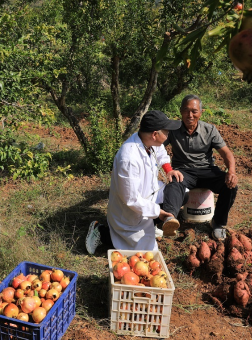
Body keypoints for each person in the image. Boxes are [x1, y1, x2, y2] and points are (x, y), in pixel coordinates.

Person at [86, 110, 185, 254]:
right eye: (166, 130)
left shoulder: (149, 141)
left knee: (180, 190)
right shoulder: (129, 158)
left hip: (148, 194)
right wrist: (159, 212)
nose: (169, 132)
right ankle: (101, 231)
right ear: (155, 134)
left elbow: (162, 153)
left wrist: (169, 170)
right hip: (130, 211)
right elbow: (131, 199)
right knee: (145, 254)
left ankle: (164, 221)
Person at [162, 94, 238, 241]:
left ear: (201, 112)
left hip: (207, 170)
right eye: (186, 110)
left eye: (194, 111)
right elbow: (157, 146)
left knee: (230, 186)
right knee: (174, 184)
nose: (190, 115)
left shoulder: (209, 130)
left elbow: (226, 153)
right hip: (183, 171)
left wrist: (231, 172)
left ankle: (218, 223)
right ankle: (169, 219)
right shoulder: (173, 130)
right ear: (180, 111)